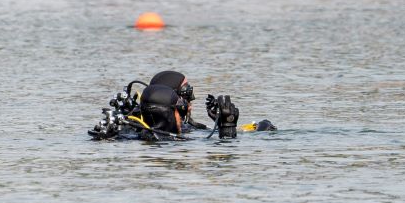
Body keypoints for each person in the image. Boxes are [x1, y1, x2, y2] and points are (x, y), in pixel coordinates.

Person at [88, 69, 275, 140]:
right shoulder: (156, 132)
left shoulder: (148, 123)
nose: (190, 104)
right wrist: (227, 130)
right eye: (186, 97)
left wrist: (220, 123)